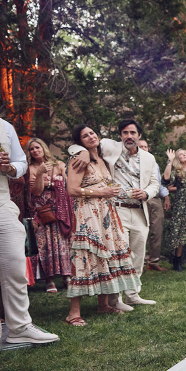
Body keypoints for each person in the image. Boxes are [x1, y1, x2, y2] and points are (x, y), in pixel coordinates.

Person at [0, 85, 60, 352]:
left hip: (1, 203)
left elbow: (21, 164)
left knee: (15, 266)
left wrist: (9, 167)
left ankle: (19, 328)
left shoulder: (2, 127)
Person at [69, 119, 160, 309]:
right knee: (116, 254)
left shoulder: (149, 158)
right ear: (120, 135)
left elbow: (154, 183)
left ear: (139, 136)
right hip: (115, 209)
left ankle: (133, 295)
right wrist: (83, 153)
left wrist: (146, 194)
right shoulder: (110, 147)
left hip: (139, 210)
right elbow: (78, 144)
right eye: (125, 133)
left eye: (133, 133)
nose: (129, 136)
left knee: (137, 255)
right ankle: (115, 300)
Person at [25, 138, 73, 291]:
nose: (35, 151)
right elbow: (37, 191)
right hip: (41, 211)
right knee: (44, 245)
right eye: (31, 149)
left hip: (60, 209)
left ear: (43, 148)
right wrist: (40, 175)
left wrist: (50, 184)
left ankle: (67, 276)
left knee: (63, 243)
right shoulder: (30, 168)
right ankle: (49, 280)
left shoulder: (58, 164)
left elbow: (67, 185)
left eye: (37, 147)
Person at [138, 139, 169, 272]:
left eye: (146, 146)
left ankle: (153, 261)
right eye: (141, 146)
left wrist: (166, 196)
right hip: (139, 199)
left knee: (156, 230)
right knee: (139, 231)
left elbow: (158, 182)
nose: (144, 148)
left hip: (155, 198)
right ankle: (138, 262)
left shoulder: (153, 163)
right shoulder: (132, 162)